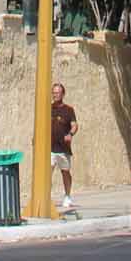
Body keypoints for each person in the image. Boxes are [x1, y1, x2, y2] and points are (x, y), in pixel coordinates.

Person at [50, 83, 79, 218]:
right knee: (46, 173)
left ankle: (67, 196)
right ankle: (46, 197)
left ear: (63, 94)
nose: (56, 94)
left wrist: (70, 135)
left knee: (65, 172)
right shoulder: (48, 109)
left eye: (58, 92)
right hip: (49, 149)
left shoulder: (69, 110)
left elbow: (74, 125)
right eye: (54, 92)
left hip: (63, 148)